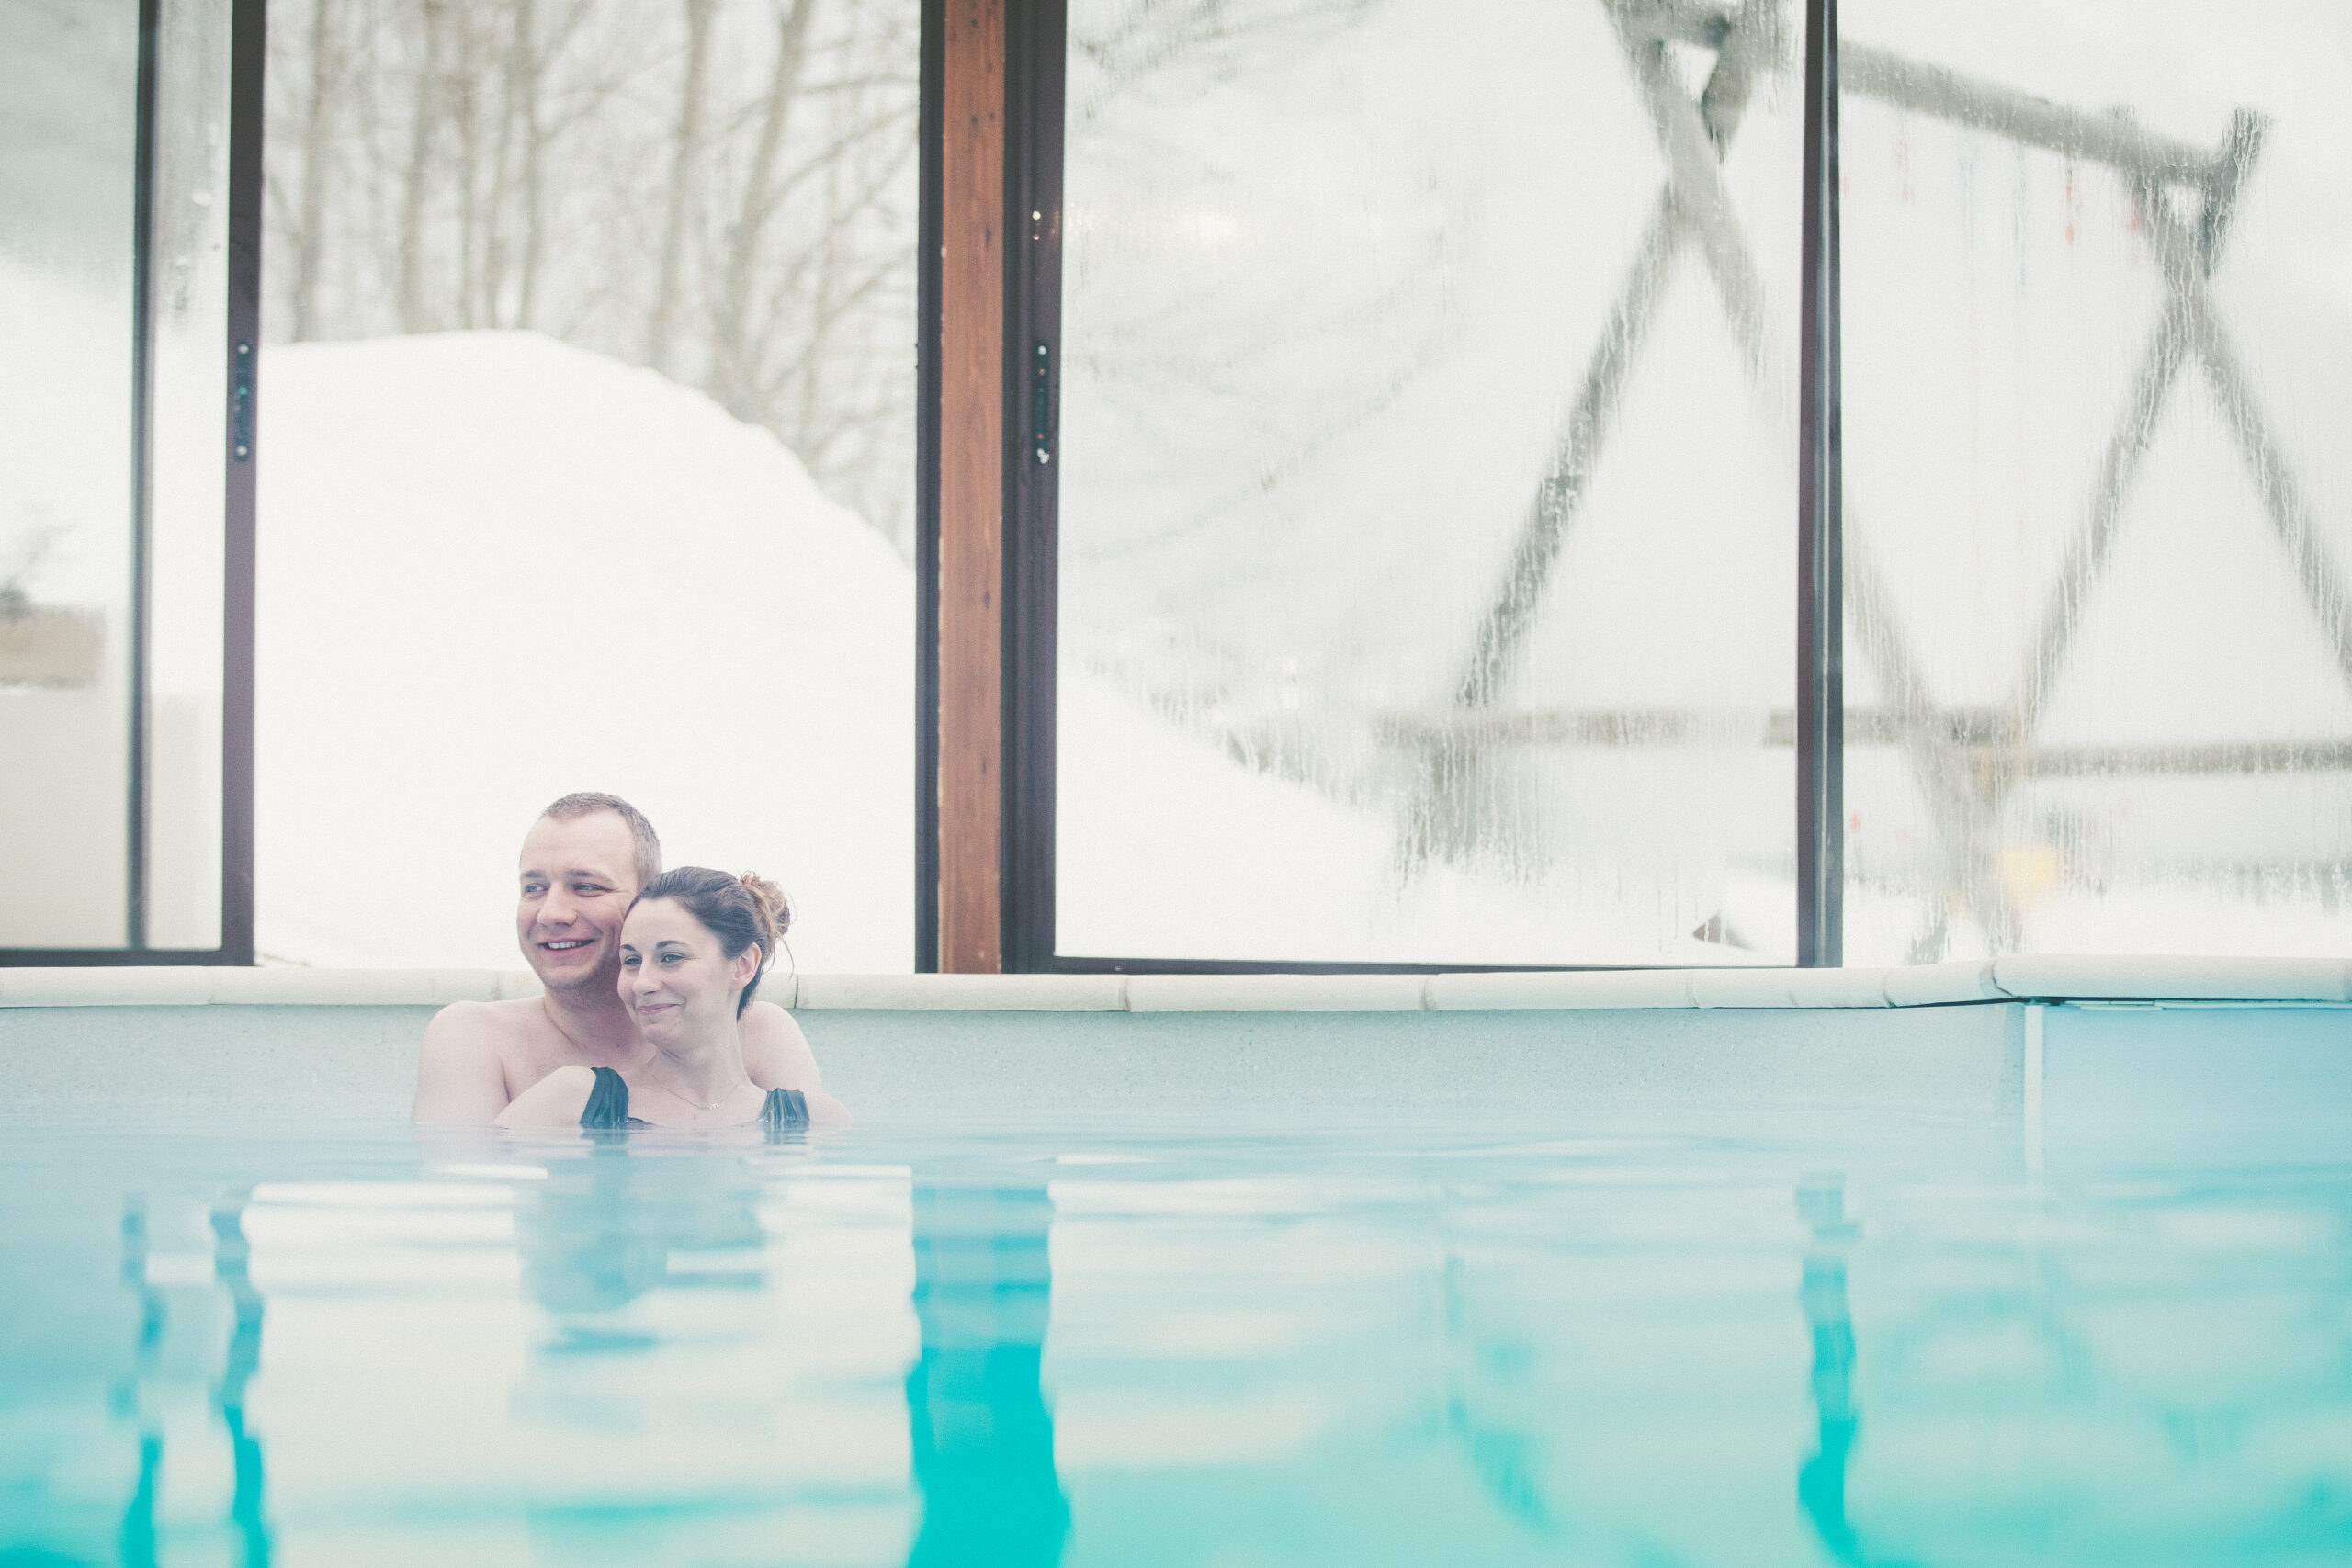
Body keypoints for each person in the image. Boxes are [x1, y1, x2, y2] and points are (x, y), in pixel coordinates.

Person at [413, 793, 847, 1125]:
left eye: (586, 887)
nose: (552, 913)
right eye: (534, 888)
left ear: (648, 899)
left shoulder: (759, 1033)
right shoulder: (476, 1039)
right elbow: (465, 1214)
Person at [499, 866, 844, 1130]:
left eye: (671, 957)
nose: (642, 983)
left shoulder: (816, 1121)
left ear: (742, 965)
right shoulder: (571, 1100)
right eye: (631, 961)